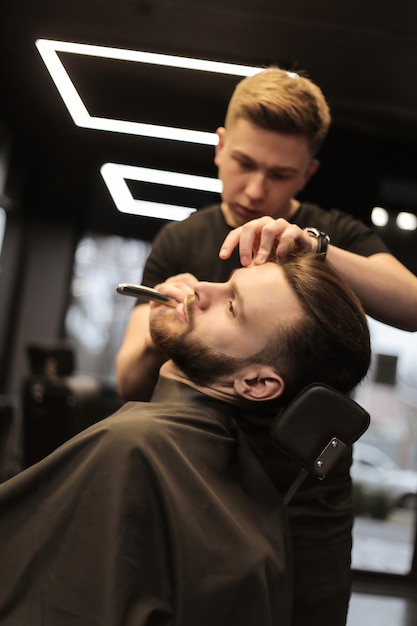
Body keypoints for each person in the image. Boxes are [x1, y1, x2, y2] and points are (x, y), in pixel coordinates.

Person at [115, 66, 417, 626]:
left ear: (308, 172)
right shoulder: (181, 240)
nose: (256, 191)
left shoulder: (332, 236)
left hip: (308, 505)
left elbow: (413, 304)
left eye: (280, 174)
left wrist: (316, 250)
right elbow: (129, 379)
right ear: (220, 146)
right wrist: (168, 325)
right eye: (244, 164)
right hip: (193, 491)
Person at [0, 256, 370, 626]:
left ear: (256, 383)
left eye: (231, 306)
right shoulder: (256, 492)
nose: (201, 288)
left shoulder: (132, 447)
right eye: (226, 281)